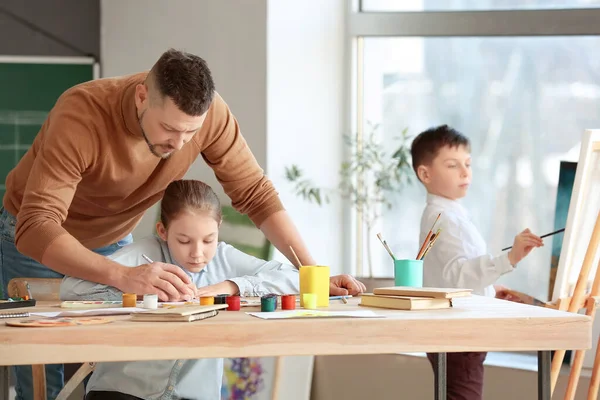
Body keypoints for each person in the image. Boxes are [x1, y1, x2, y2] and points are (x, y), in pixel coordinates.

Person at [0, 48, 365, 400]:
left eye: (191, 133)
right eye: (169, 129)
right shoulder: (82, 113)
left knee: (101, 367)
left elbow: (255, 192)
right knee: (43, 383)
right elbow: (37, 226)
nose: (179, 144)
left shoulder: (209, 115)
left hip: (114, 241)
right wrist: (123, 276)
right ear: (142, 96)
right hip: (42, 242)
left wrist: (312, 272)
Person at [60, 179, 300, 400]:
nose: (197, 253)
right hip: (123, 392)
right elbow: (70, 288)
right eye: (184, 241)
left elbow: (296, 277)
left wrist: (234, 285)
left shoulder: (225, 259)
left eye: (208, 240)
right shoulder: (142, 255)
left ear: (219, 227)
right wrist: (132, 287)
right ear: (163, 231)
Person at [410, 125, 543, 400]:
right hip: (458, 333)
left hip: (456, 330)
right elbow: (457, 276)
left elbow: (449, 275)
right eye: (452, 165)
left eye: (468, 164)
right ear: (425, 174)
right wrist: (510, 258)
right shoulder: (443, 218)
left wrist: (491, 291)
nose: (465, 172)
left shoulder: (448, 213)